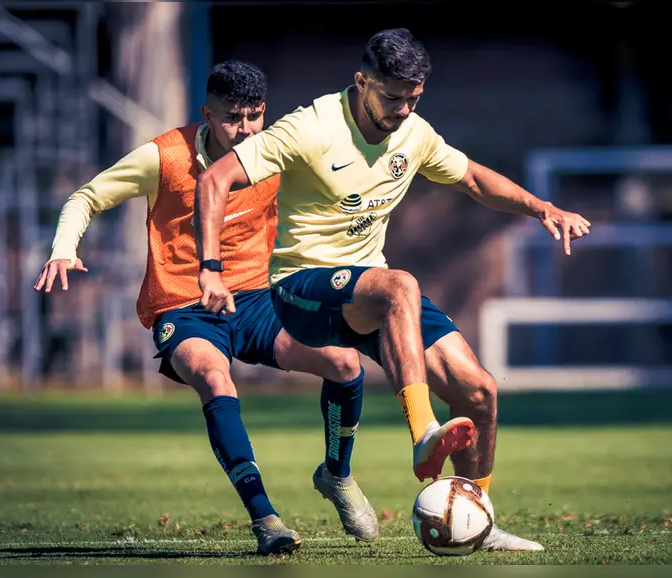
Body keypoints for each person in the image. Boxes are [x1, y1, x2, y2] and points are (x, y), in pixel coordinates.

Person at [194, 29, 592, 552]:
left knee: (479, 392)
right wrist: (210, 269)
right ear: (362, 83)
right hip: (301, 291)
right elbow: (213, 180)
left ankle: (476, 518)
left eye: (414, 98)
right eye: (392, 96)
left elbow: (472, 178)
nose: (403, 109)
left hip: (371, 295)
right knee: (399, 284)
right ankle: (423, 429)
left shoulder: (415, 134)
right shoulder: (309, 128)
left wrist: (544, 208)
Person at [33, 60, 379, 555]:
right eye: (233, 118)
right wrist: (64, 248)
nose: (246, 130)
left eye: (256, 116)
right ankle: (267, 521)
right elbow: (85, 197)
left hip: (256, 299)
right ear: (207, 114)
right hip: (182, 307)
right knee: (217, 380)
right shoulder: (166, 156)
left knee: (345, 363)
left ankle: (337, 475)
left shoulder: (275, 152)